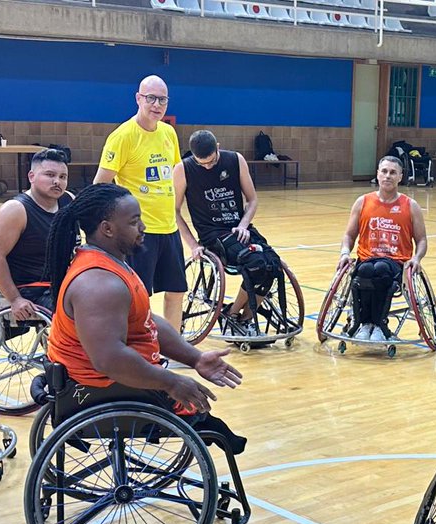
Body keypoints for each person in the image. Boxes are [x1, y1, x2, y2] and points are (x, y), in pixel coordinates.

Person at [44, 183, 246, 450]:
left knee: (213, 426)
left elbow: (146, 323)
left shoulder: (111, 263)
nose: (143, 228)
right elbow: (109, 359)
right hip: (101, 389)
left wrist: (194, 358)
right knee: (217, 432)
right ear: (107, 228)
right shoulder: (99, 284)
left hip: (109, 382)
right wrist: (171, 382)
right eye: (134, 222)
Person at [94, 75, 185, 331]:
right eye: (151, 98)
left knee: (176, 292)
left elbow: (173, 174)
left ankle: (174, 349)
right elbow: (100, 185)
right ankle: (140, 351)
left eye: (162, 100)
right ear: (138, 98)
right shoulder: (122, 136)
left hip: (169, 228)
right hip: (139, 232)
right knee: (139, 297)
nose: (157, 104)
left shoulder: (168, 133)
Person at [173, 130, 278, 331]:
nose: (207, 166)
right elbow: (175, 212)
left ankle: (245, 318)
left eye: (211, 162)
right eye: (201, 163)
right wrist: (193, 245)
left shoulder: (235, 160)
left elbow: (253, 199)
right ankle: (231, 314)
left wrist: (243, 224)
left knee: (273, 265)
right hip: (212, 235)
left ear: (218, 148)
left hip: (239, 227)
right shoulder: (182, 170)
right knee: (256, 264)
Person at [337, 156, 429, 342]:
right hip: (367, 259)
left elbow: (422, 240)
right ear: (378, 174)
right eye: (384, 171)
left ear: (400, 177)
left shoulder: (410, 206)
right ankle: (365, 324)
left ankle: (379, 324)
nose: (388, 176)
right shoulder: (362, 202)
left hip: (396, 261)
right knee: (365, 271)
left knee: (381, 271)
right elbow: (348, 236)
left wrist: (417, 259)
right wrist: (345, 253)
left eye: (393, 172)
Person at [0, 148, 73, 320]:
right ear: (31, 176)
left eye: (62, 177)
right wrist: (15, 299)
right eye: (50, 175)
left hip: (61, 283)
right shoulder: (15, 210)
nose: (57, 182)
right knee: (81, 311)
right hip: (31, 288)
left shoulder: (68, 200)